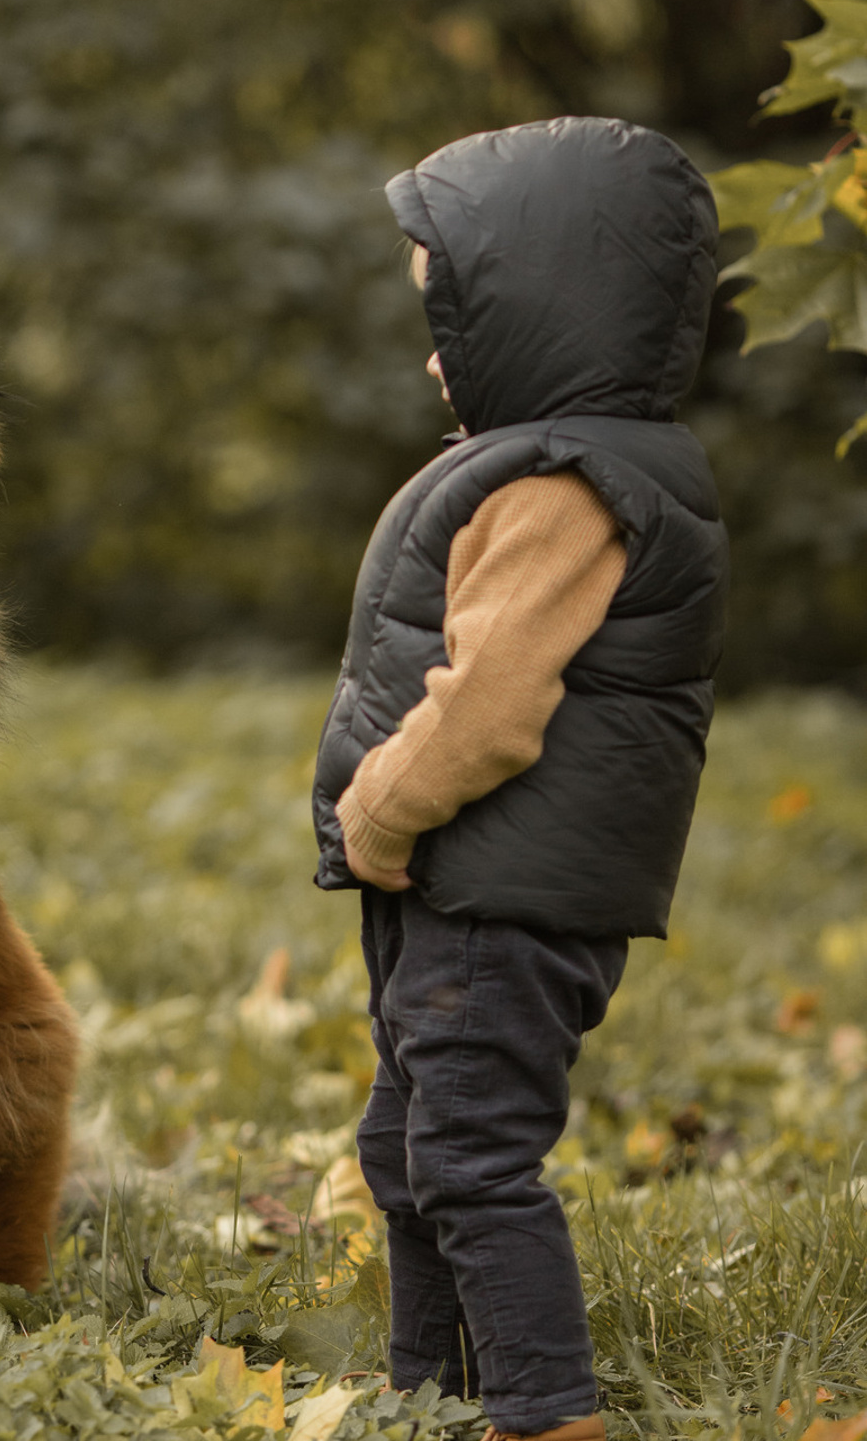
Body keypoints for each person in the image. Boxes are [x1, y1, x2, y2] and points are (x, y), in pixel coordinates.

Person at [310, 117, 730, 1441]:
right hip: (461, 887)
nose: (437, 354)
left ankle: (545, 1413)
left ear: (548, 309)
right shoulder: (557, 467)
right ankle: (426, 1393)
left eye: (458, 318)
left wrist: (378, 811)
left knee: (470, 1159)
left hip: (494, 893)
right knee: (406, 1151)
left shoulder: (566, 488)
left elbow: (489, 708)